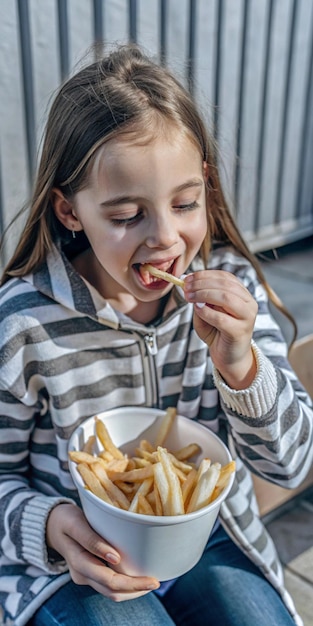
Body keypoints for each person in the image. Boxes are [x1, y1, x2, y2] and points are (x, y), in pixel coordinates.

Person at [0, 43, 312, 626]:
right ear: (70, 211)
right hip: (75, 560)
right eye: (125, 216)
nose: (165, 237)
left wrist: (243, 369)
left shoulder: (234, 290)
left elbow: (292, 469)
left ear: (206, 186)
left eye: (185, 203)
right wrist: (48, 525)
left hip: (213, 540)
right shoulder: (23, 328)